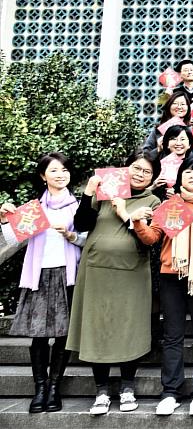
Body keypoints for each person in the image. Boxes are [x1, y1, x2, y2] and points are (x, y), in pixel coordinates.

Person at [66, 151, 161, 415]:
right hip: (97, 270)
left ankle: (128, 387)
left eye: (146, 172)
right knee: (99, 327)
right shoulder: (106, 191)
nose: (139, 174)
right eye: (136, 168)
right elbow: (81, 223)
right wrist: (89, 192)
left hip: (132, 272)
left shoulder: (153, 201)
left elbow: (150, 239)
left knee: (129, 326)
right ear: (125, 167)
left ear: (153, 178)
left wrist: (126, 214)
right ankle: (101, 390)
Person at [132, 154, 193, 416]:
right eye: (187, 171)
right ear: (180, 176)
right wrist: (139, 222)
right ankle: (170, 391)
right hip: (171, 274)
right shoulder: (167, 206)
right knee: (172, 336)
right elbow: (152, 238)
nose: (192, 175)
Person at [0, 153, 85, 414]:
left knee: (62, 336)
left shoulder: (79, 207)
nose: (61, 175)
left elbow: (88, 240)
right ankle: (40, 387)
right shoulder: (34, 208)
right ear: (43, 175)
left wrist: (71, 235)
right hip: (39, 276)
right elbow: (14, 241)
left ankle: (53, 388)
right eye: (54, 170)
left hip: (68, 275)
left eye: (64, 170)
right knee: (39, 336)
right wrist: (5, 220)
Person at [142, 92, 190, 158]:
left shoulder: (192, 129)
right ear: (169, 106)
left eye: (183, 104)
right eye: (175, 103)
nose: (179, 107)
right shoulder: (158, 130)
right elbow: (145, 155)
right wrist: (158, 149)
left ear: (188, 108)